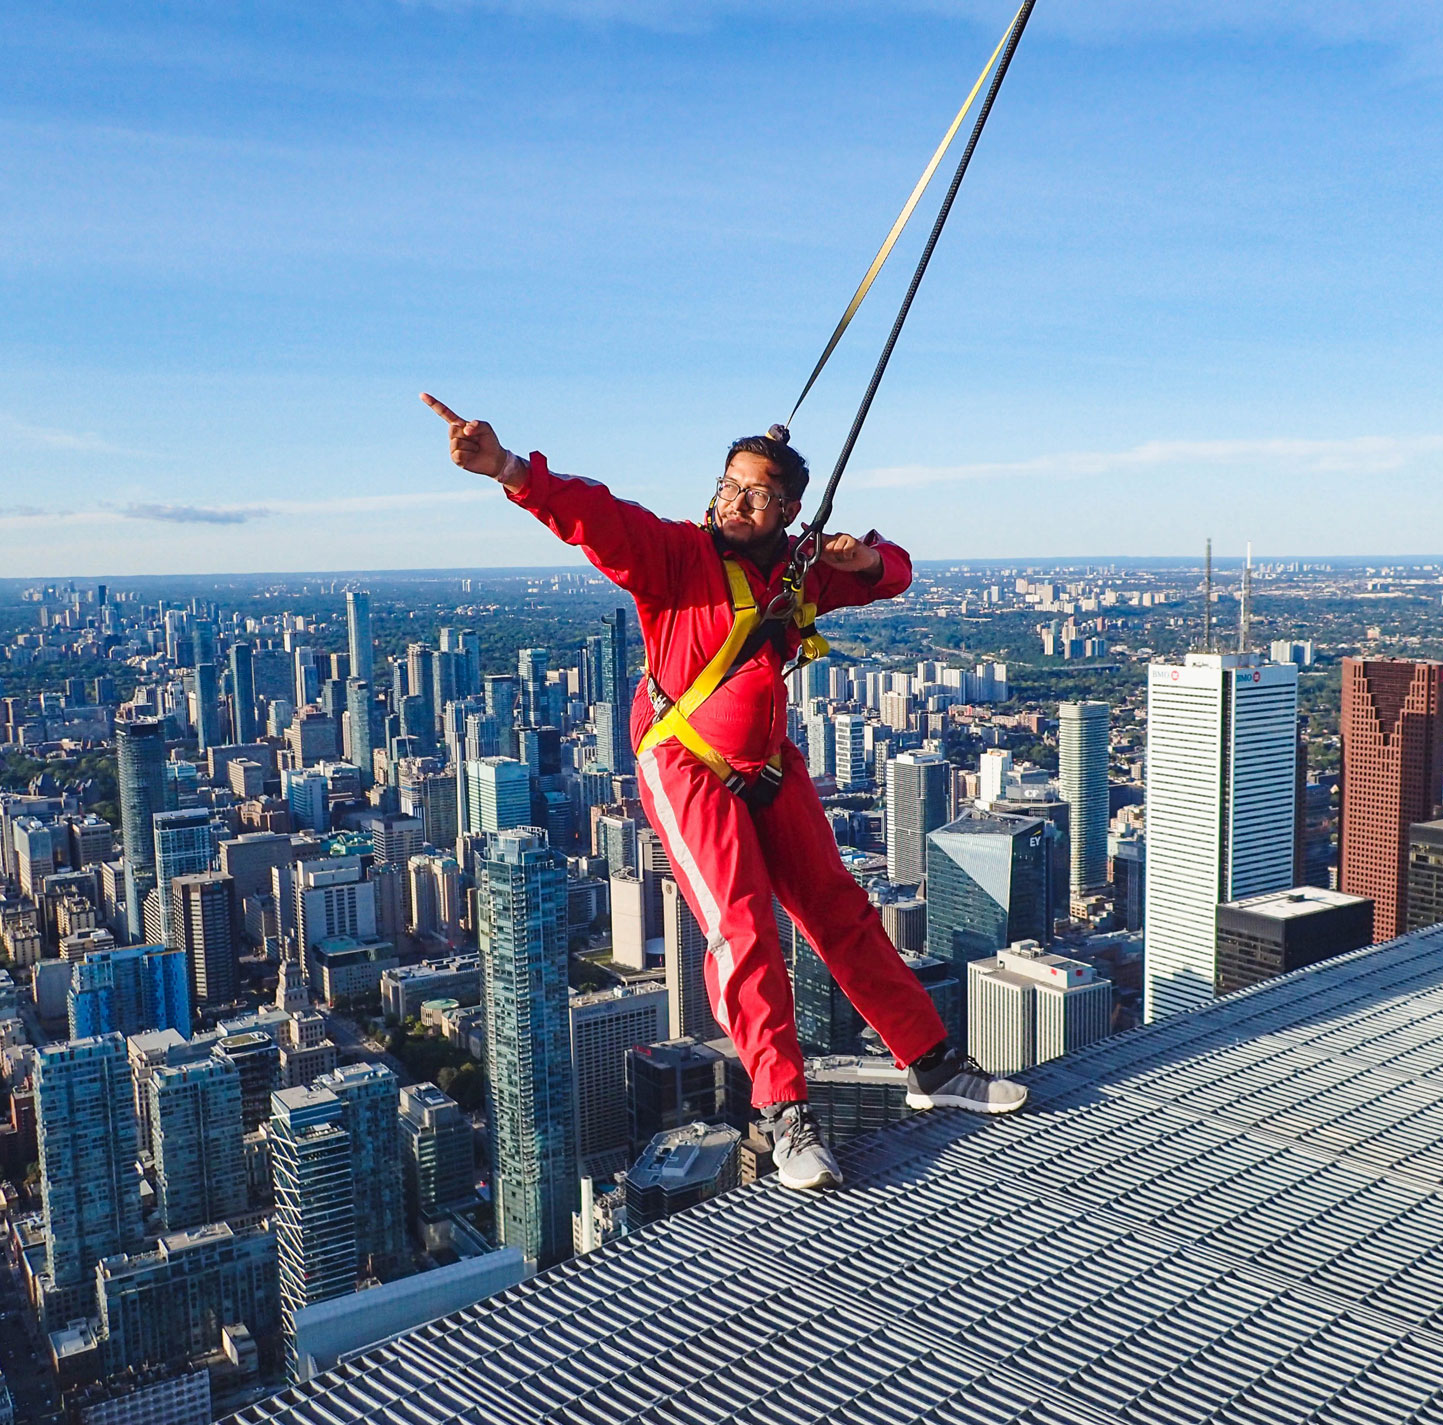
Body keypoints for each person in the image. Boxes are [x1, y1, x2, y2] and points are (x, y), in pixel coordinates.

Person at [422, 393, 1026, 1191]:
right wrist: (505, 468)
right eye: (730, 486)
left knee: (838, 908)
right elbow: (595, 516)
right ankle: (784, 1113)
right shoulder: (676, 556)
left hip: (769, 761)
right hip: (685, 762)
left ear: (790, 510)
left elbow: (899, 573)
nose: (738, 502)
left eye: (760, 495)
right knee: (742, 927)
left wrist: (864, 562)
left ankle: (932, 1063)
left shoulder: (802, 568)